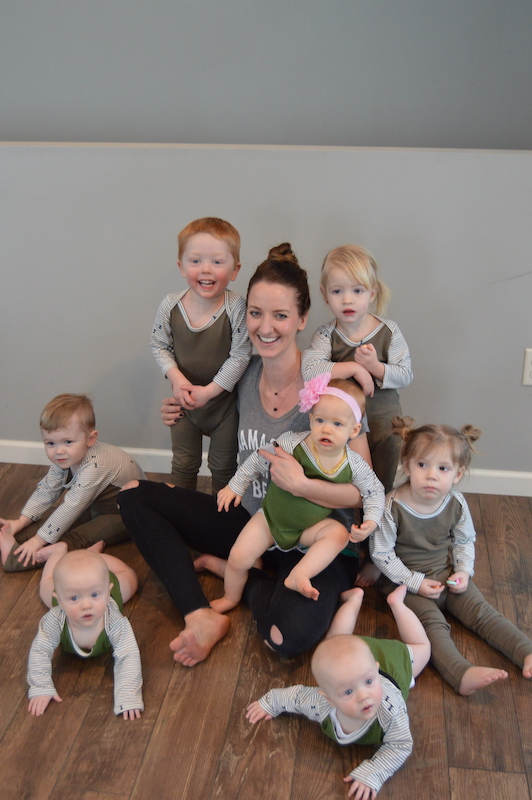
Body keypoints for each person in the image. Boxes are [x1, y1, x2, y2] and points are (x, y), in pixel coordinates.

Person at [119, 243, 372, 667]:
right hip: (254, 522)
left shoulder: (329, 393)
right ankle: (200, 615)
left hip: (315, 542)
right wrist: (178, 408)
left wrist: (303, 485)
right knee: (132, 495)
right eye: (255, 313)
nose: (265, 327)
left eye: (280, 315)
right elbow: (205, 413)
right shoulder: (242, 373)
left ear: (302, 319)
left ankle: (249, 580)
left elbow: (362, 492)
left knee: (284, 637)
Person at [370, 417, 532, 695]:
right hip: (405, 583)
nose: (432, 476)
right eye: (423, 465)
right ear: (407, 465)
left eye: (443, 468)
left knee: (483, 613)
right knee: (433, 626)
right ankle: (460, 672)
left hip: (447, 575)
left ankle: (525, 650)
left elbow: (464, 541)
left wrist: (463, 571)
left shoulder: (455, 503)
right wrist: (416, 582)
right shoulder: (391, 507)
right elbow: (381, 554)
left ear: (457, 474)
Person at [212, 376, 384, 611]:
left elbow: (375, 492)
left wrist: (371, 521)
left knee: (338, 534)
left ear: (354, 430)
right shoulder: (293, 444)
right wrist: (236, 485)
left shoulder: (354, 464)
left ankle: (299, 573)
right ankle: (230, 597)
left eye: (337, 424)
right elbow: (259, 458)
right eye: (320, 420)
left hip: (308, 529)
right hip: (270, 519)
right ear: (310, 419)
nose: (326, 429)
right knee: (238, 558)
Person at [246, 584, 430, 799]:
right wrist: (271, 703)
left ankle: (396, 603)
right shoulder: (319, 704)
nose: (364, 696)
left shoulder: (390, 710)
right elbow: (295, 697)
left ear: (375, 670)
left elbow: (400, 745)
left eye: (369, 682)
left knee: (422, 647)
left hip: (393, 664)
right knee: (335, 643)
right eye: (348, 692)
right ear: (328, 698)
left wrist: (374, 771)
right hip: (354, 660)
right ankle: (354, 599)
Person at [151, 217, 251, 493]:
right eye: (195, 261)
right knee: (183, 464)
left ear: (235, 270)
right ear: (181, 267)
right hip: (185, 402)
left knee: (223, 466)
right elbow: (159, 346)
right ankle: (181, 510)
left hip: (224, 407)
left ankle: (220, 514)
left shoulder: (236, 307)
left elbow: (240, 355)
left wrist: (209, 392)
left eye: (217, 262)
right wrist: (177, 380)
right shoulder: (170, 305)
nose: (206, 269)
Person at [302, 244, 412, 494]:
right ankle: (350, 514)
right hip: (340, 427)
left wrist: (375, 367)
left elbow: (405, 374)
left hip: (385, 426)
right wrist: (353, 368)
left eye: (357, 290)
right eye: (337, 291)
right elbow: (310, 370)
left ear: (372, 293)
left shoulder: (388, 332)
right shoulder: (326, 334)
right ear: (325, 294)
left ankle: (379, 515)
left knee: (382, 482)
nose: (347, 299)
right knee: (346, 479)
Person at [0, 394, 145, 571]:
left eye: (67, 442)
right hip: (95, 506)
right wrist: (21, 522)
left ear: (91, 439)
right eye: (50, 443)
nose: (58, 451)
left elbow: (71, 506)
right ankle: (11, 537)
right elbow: (47, 490)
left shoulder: (96, 466)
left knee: (76, 537)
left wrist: (37, 541)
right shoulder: (67, 457)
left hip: (124, 515)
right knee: (50, 522)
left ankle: (14, 561)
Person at [27, 548, 143, 719]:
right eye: (74, 598)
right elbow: (40, 650)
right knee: (46, 583)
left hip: (106, 583)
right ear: (60, 600)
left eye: (95, 595)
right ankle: (58, 553)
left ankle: (92, 557)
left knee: (130, 576)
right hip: (69, 587)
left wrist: (128, 694)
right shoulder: (55, 618)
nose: (86, 605)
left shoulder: (115, 621)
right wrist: (41, 686)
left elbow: (128, 655)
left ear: (107, 592)